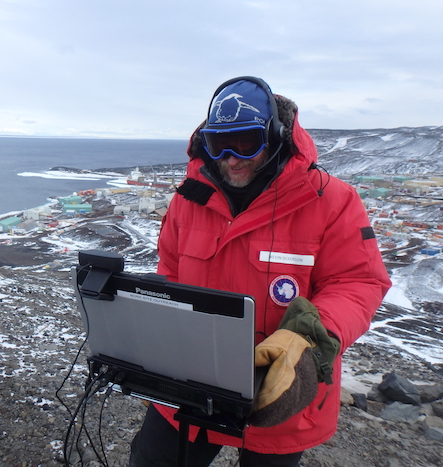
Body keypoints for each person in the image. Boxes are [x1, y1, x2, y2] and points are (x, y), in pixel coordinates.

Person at [128, 76, 392, 467]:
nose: (232, 157)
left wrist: (307, 342)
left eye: (247, 142)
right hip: (193, 382)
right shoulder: (190, 199)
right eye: (220, 144)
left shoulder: (331, 200)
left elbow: (358, 281)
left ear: (275, 135)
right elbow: (169, 267)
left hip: (281, 393)